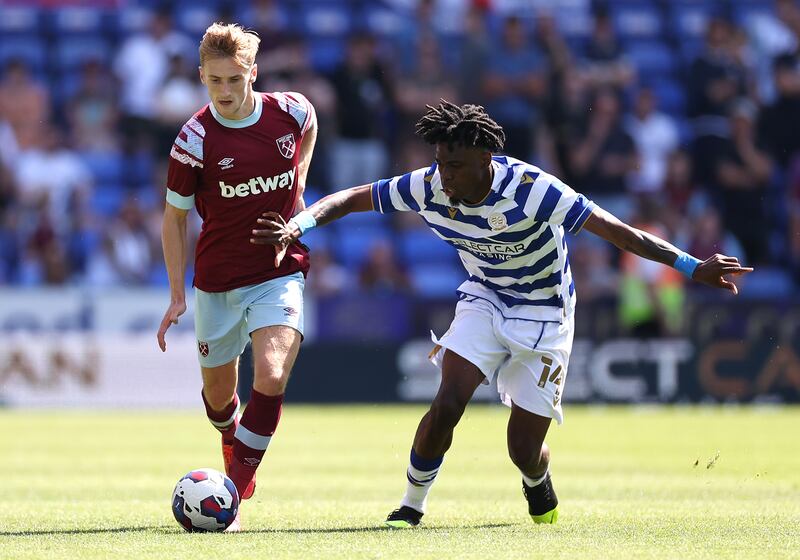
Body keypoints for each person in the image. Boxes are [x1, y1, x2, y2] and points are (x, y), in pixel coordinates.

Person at [251, 100, 751, 528]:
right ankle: (410, 507)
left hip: (546, 311)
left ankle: (537, 480)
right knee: (447, 401)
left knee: (522, 449)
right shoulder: (428, 186)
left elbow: (621, 233)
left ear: (486, 159)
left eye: (457, 166)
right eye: (441, 163)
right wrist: (299, 224)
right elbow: (353, 197)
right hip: (485, 298)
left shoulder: (534, 189)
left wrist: (691, 266)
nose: (445, 176)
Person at [156, 23, 317, 532]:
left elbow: (309, 130)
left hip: (278, 271)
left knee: (270, 374)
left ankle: (234, 490)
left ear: (253, 72)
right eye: (214, 81)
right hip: (218, 280)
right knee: (220, 401)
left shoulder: (291, 111)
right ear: (202, 77)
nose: (224, 92)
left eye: (234, 79)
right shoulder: (194, 138)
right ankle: (230, 437)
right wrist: (178, 295)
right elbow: (174, 217)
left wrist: (297, 196)